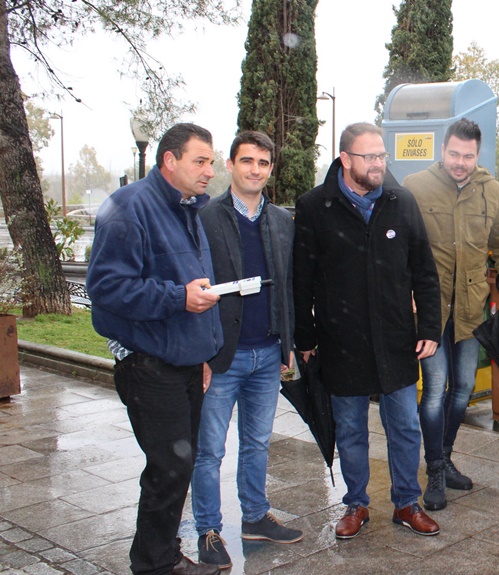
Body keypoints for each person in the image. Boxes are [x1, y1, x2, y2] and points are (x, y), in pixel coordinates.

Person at [293, 122, 443, 538]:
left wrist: (429, 325)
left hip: (396, 340)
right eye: (369, 157)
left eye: (382, 156)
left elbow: (424, 273)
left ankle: (406, 503)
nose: (378, 164)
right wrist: (305, 338)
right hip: (341, 342)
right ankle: (356, 505)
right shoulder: (313, 207)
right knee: (351, 429)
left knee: (404, 427)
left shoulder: (401, 203)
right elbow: (301, 280)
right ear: (345, 159)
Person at [87, 123, 223, 575]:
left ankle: (160, 554)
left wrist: (201, 352)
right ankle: (155, 564)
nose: (210, 170)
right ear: (169, 160)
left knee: (177, 469)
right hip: (148, 364)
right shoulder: (129, 209)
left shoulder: (187, 210)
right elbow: (106, 289)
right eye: (199, 161)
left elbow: (196, 289)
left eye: (210, 161)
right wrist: (177, 297)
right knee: (169, 468)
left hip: (185, 363)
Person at [191, 131, 302, 569]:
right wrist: (199, 351)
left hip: (267, 351)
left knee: (257, 442)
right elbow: (197, 287)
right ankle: (208, 530)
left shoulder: (281, 221)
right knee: (209, 449)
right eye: (247, 161)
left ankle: (255, 516)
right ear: (231, 164)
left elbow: (288, 286)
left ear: (270, 169)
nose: (255, 170)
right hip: (222, 354)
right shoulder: (205, 217)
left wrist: (287, 343)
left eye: (263, 163)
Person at [403, 118, 499, 511]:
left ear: (477, 154)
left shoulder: (491, 190)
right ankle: (434, 469)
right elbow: (399, 248)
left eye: (467, 156)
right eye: (453, 154)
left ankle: (446, 454)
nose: (460, 162)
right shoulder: (416, 187)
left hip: (471, 309)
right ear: (443, 149)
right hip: (431, 309)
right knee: (435, 390)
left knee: (464, 390)